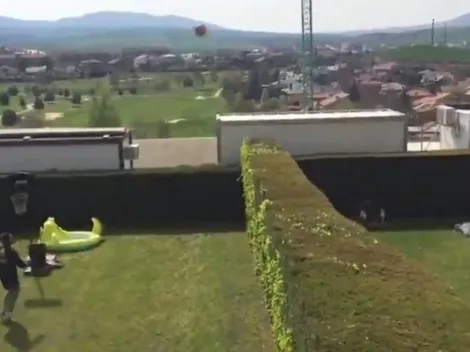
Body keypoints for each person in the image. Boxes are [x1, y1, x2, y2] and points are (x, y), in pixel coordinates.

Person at [0, 232, 27, 323]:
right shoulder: (12, 252)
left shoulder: (1, 250)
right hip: (10, 275)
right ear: (8, 241)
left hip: (3, 276)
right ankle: (7, 314)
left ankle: (4, 311)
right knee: (14, 292)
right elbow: (20, 264)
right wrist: (27, 264)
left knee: (10, 291)